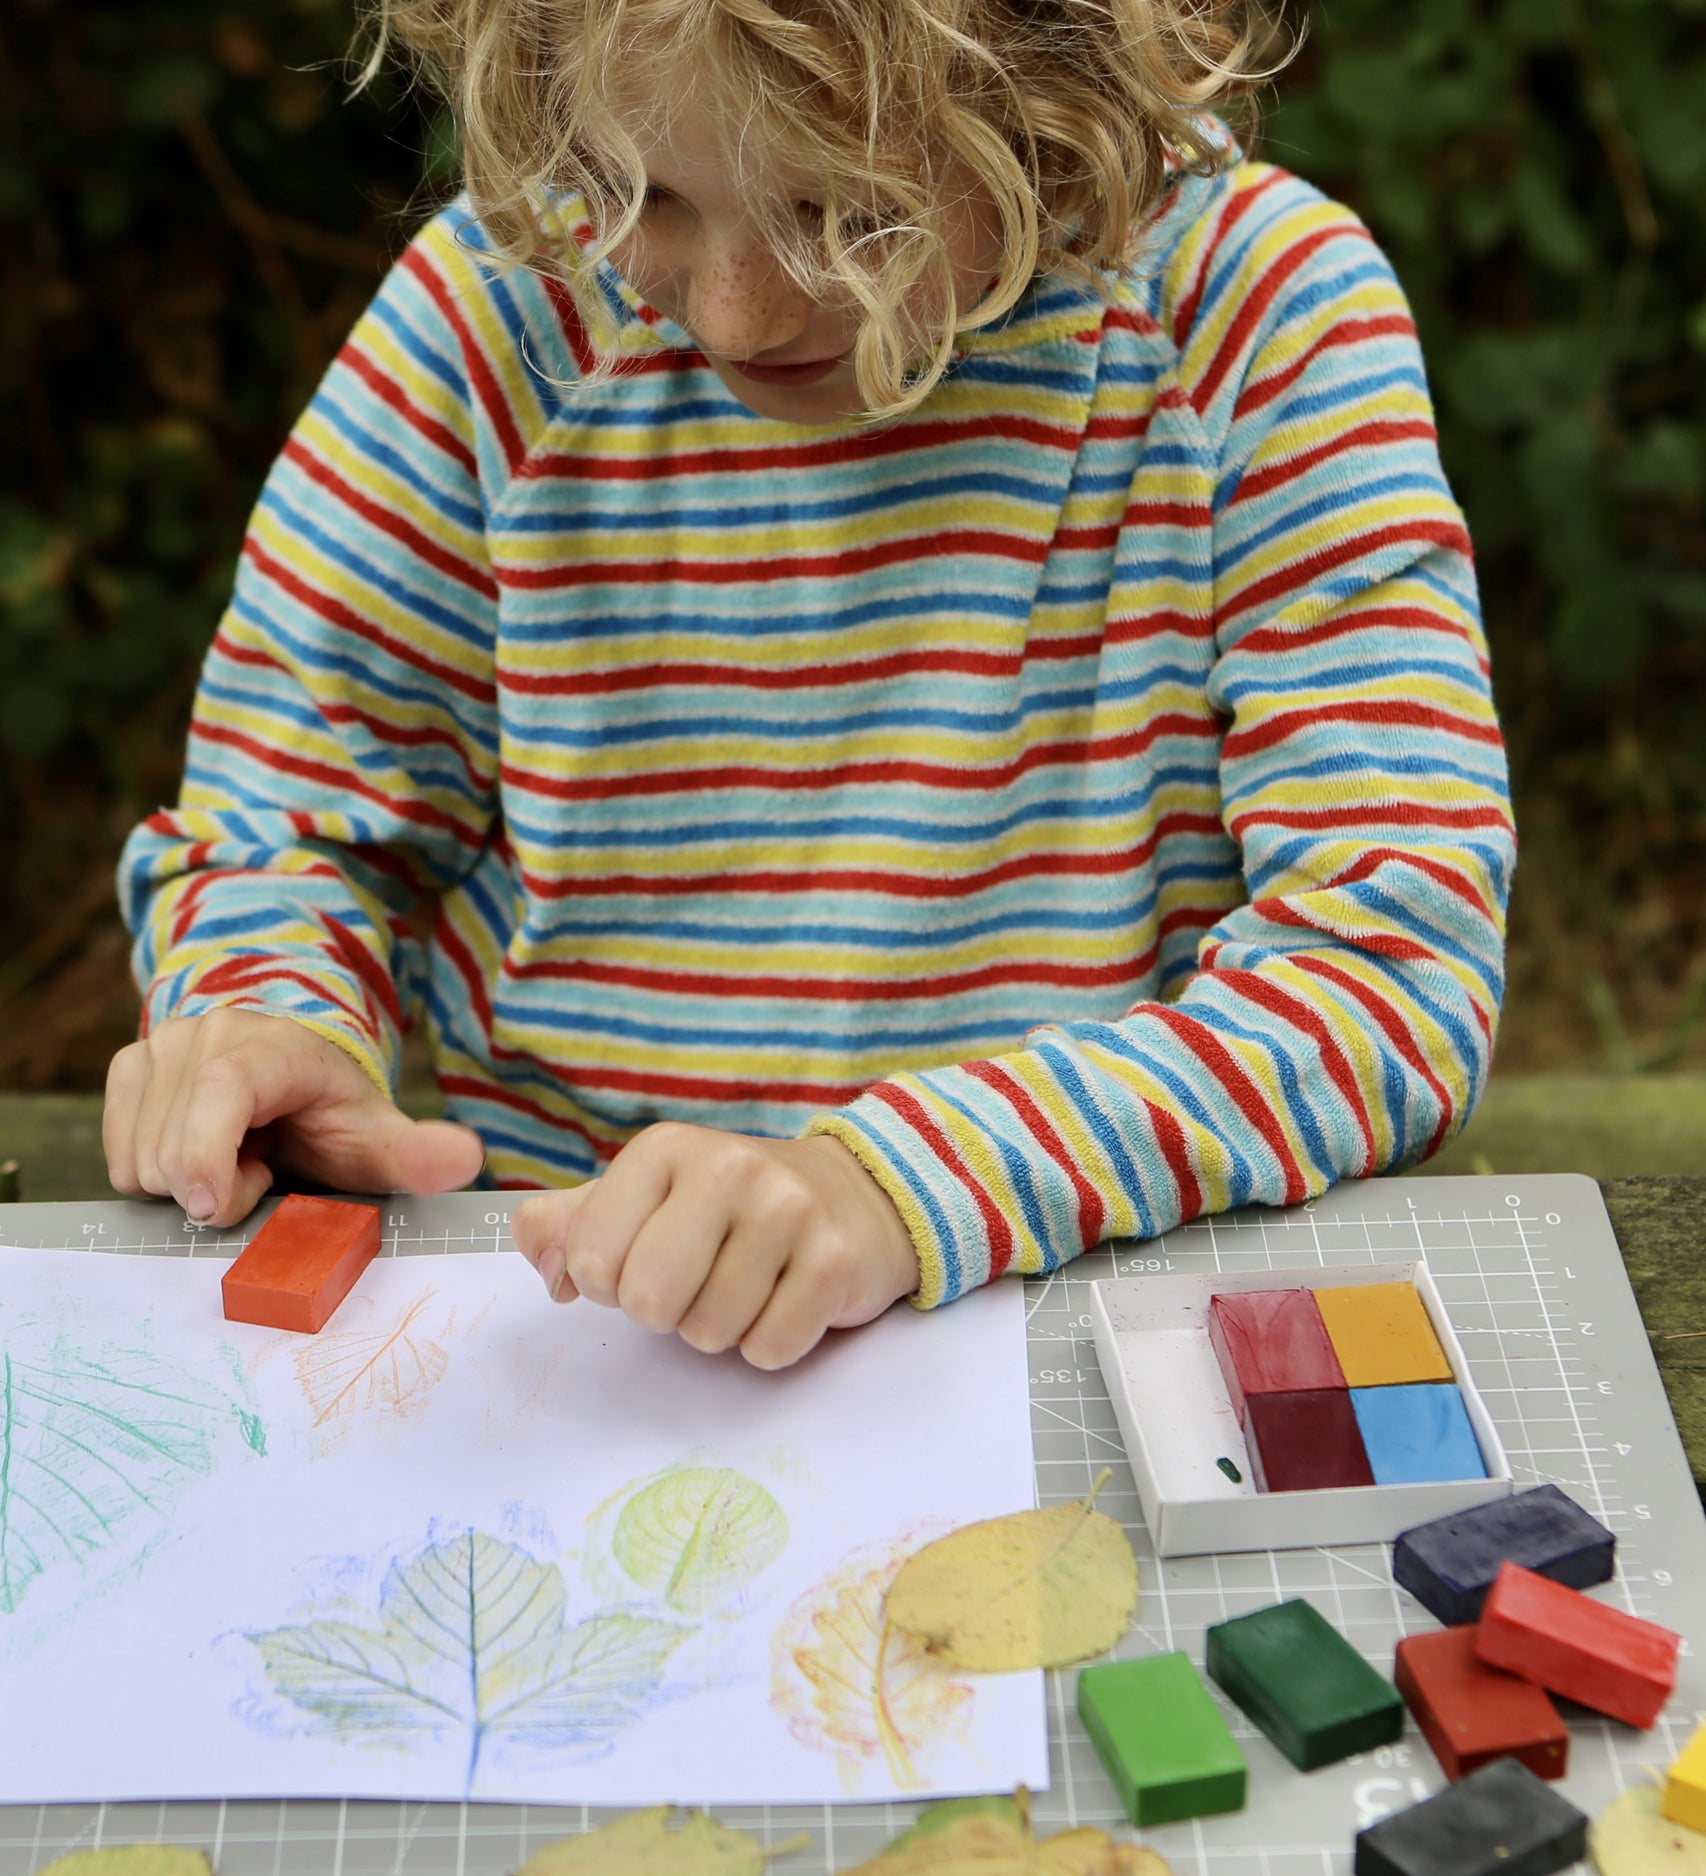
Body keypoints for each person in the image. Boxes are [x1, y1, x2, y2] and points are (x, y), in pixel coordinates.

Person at [104, 0, 1515, 1370]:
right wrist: (270, 1013)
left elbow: (1388, 964)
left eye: (848, 214)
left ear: (1058, 85)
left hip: (1055, 1302)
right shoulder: (502, 313)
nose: (732, 310)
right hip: (563, 1317)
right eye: (643, 195)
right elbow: (281, 832)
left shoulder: (1247, 319)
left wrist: (885, 1186)